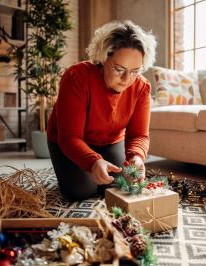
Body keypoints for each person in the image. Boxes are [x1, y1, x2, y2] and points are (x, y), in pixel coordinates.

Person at [47, 20, 157, 201]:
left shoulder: (141, 87)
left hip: (110, 141)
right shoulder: (77, 77)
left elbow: (139, 135)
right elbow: (69, 137)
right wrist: (93, 161)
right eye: (119, 69)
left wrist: (137, 157)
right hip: (69, 140)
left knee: (123, 182)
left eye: (135, 71)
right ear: (103, 57)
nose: (126, 79)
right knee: (82, 191)